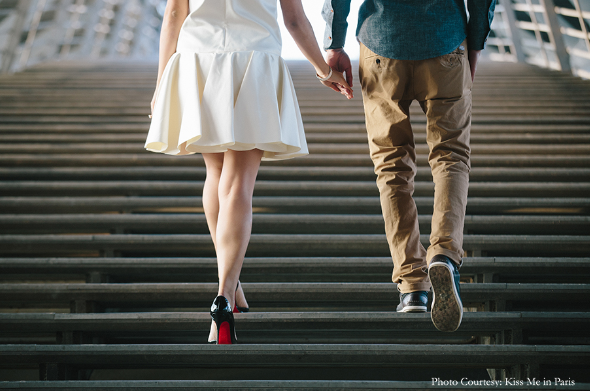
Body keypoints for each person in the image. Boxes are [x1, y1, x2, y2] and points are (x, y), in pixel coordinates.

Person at [145, 0, 352, 344]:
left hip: (198, 59)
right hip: (253, 61)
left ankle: (230, 279)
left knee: (215, 175)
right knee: (239, 183)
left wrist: (160, 85)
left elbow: (173, 16)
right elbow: (295, 20)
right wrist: (323, 70)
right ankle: (225, 293)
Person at [322, 0, 495, 332]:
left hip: (380, 45)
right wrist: (474, 44)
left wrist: (334, 42)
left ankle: (412, 286)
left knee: (391, 166)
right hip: (445, 41)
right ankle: (443, 253)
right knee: (451, 156)